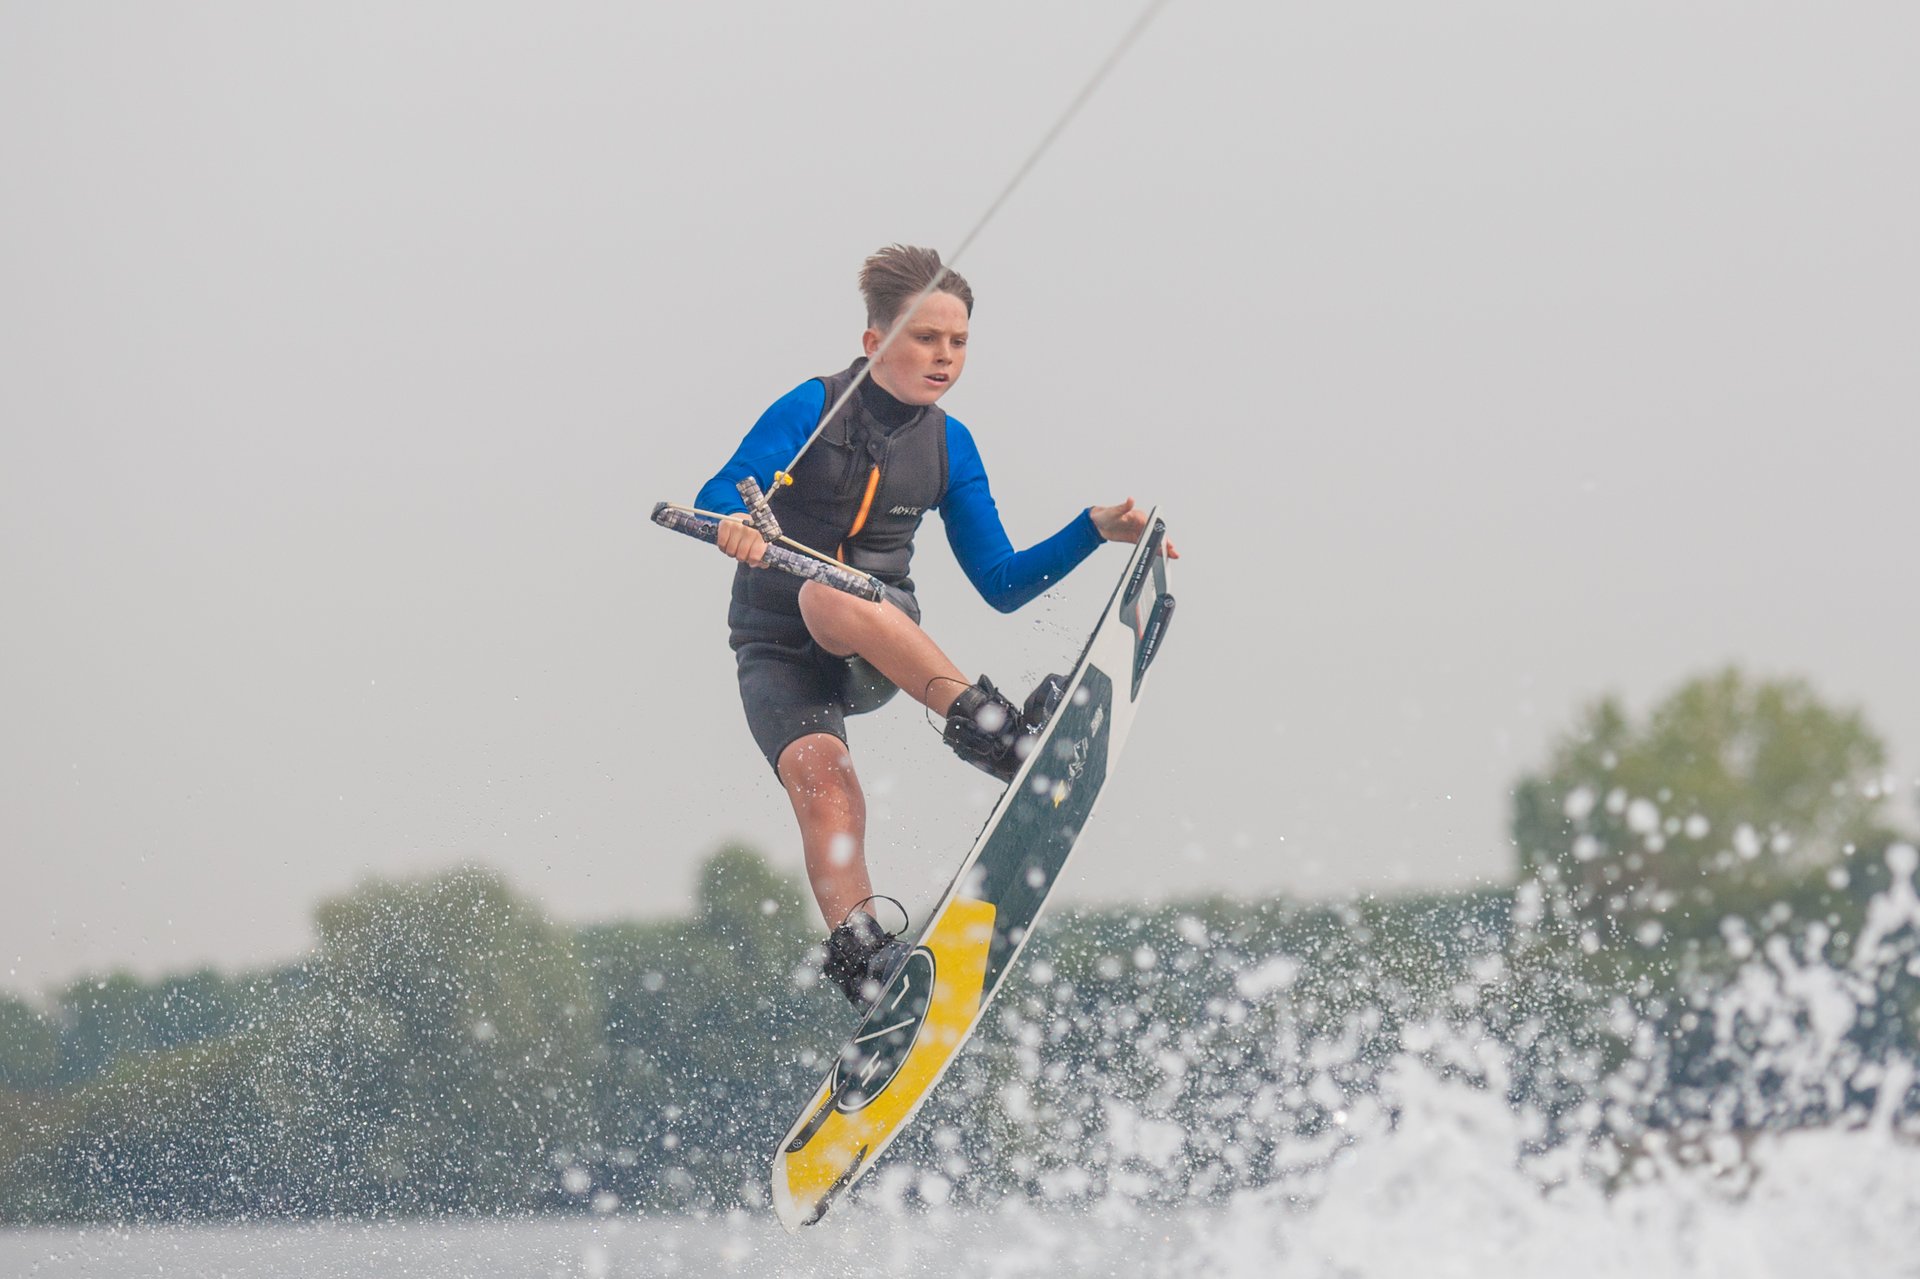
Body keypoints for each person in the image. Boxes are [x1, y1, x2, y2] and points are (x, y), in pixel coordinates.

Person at [696, 244, 1173, 1013]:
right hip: (775, 653)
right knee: (824, 781)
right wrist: (732, 523)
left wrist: (1092, 528)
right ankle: (864, 957)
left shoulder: (950, 446)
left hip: (877, 640)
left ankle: (993, 730)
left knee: (830, 596)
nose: (944, 356)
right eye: (926, 338)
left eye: (958, 342)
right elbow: (723, 487)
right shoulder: (811, 408)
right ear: (874, 341)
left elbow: (1003, 582)